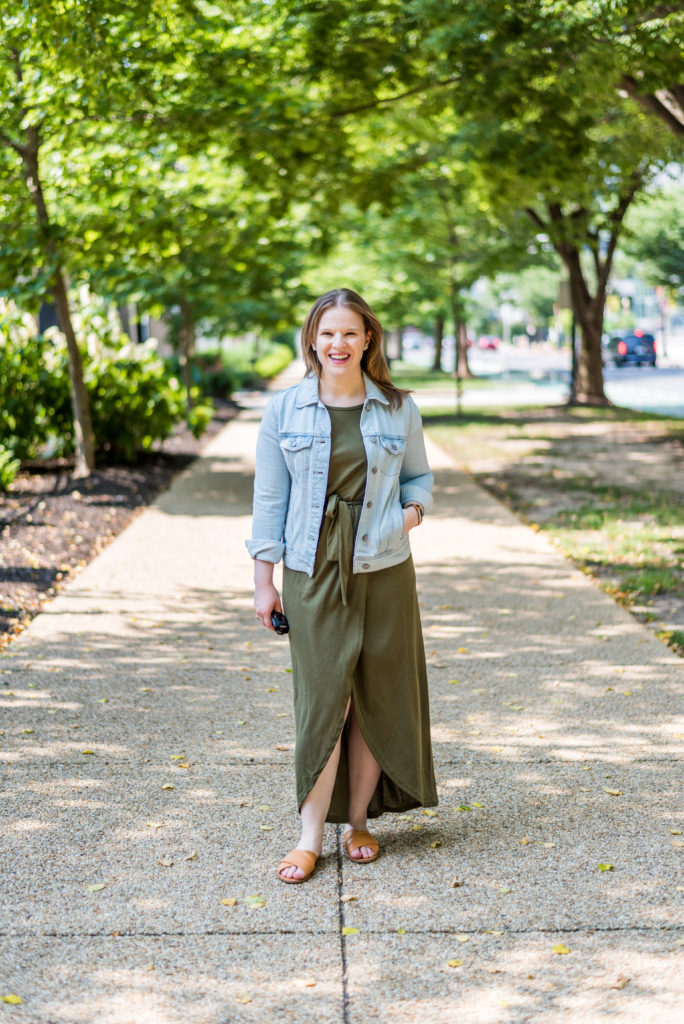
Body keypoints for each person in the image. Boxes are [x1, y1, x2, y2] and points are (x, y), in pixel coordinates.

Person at [246, 287, 438, 883]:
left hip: (383, 564)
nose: (339, 343)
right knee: (324, 696)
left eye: (350, 333)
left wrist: (409, 515)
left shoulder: (397, 407)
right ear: (311, 339)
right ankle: (309, 835)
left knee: (377, 693)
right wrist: (263, 582)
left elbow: (419, 476)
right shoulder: (285, 410)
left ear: (368, 339)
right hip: (312, 564)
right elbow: (269, 500)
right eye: (328, 333)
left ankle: (358, 820)